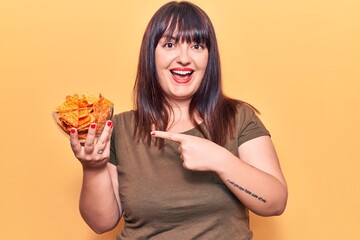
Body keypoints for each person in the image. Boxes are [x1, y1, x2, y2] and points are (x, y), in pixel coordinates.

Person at [69, 1, 288, 239]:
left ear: (209, 57)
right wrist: (92, 168)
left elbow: (275, 203)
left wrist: (221, 160)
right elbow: (102, 223)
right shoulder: (119, 128)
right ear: (150, 55)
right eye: (170, 44)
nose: (184, 58)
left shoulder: (238, 118)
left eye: (196, 45)